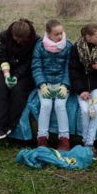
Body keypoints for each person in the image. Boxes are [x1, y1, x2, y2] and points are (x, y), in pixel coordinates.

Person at [0, 18, 37, 142]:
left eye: (21, 40)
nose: (18, 41)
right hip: (8, 69)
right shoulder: (5, 35)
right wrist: (6, 74)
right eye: (16, 38)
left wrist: (16, 77)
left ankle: (10, 126)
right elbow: (2, 55)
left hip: (25, 73)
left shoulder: (36, 40)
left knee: (18, 90)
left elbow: (29, 62)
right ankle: (0, 127)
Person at [32, 19, 72, 151]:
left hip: (61, 83)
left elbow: (69, 68)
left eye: (61, 33)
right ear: (48, 34)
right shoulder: (40, 46)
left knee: (60, 105)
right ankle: (42, 138)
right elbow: (37, 67)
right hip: (46, 83)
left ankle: (64, 139)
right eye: (56, 34)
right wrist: (42, 85)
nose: (60, 36)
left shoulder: (68, 46)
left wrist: (65, 85)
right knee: (46, 105)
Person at [68, 22, 97, 152]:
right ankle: (85, 139)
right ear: (88, 37)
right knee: (85, 111)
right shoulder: (75, 49)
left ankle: (90, 143)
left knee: (95, 110)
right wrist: (80, 90)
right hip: (81, 87)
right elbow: (73, 71)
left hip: (96, 85)